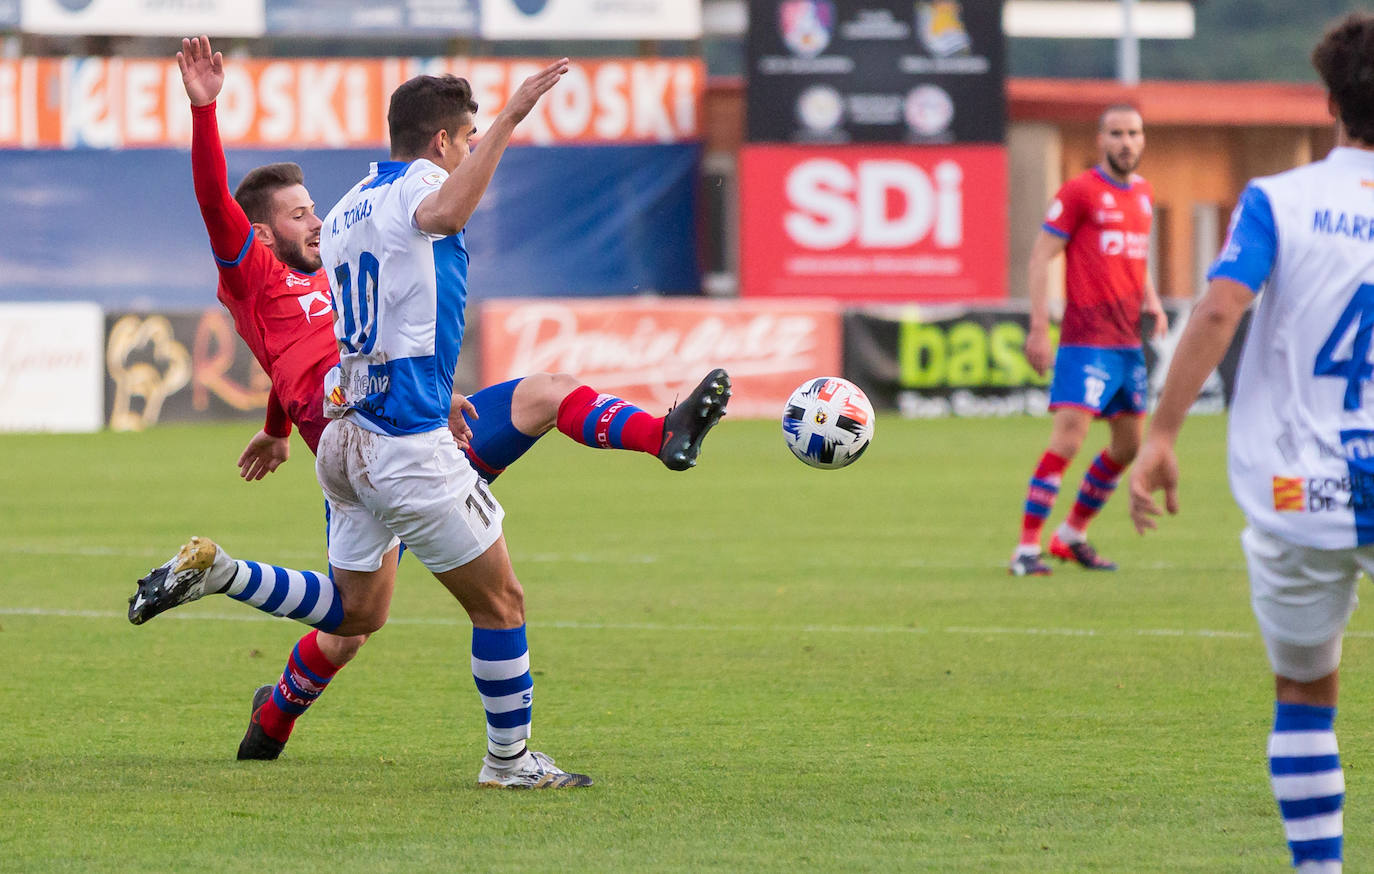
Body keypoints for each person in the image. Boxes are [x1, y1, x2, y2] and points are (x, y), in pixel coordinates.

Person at [129, 37, 730, 768]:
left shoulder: (344, 234)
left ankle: (247, 640)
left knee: (357, 618)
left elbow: (322, 361)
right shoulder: (257, 270)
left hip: (369, 431)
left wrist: (280, 428)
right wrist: (204, 108)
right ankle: (508, 761)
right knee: (492, 602)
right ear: (261, 234)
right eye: (295, 216)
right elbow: (228, 209)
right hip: (395, 439)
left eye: (310, 207)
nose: (313, 220)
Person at [1130, 15, 1374, 872]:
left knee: (1307, 690)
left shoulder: (1283, 199)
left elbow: (1222, 308)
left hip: (1299, 488)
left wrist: (1162, 432)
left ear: (1331, 100)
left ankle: (1320, 869)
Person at [1008, 104, 1168, 577]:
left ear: (1142, 140)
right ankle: (1025, 550)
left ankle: (1071, 534)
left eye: (1133, 133)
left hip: (1126, 343)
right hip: (1085, 340)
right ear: (1101, 140)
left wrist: (1153, 301)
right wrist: (1040, 327)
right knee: (1068, 441)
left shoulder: (1143, 194)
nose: (1126, 142)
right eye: (1116, 133)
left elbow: (1134, 261)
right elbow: (1040, 258)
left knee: (1128, 446)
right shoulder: (1080, 192)